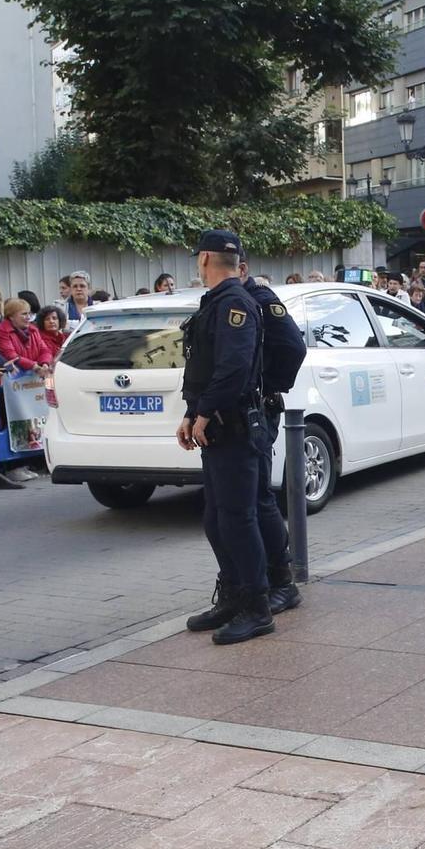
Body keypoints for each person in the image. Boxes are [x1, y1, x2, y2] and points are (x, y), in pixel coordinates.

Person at [179, 230, 275, 645]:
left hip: (232, 423)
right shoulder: (218, 302)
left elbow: (234, 367)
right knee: (218, 517)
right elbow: (207, 366)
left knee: (238, 518)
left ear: (204, 259)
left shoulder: (234, 303)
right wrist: (191, 411)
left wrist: (204, 410)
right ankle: (235, 595)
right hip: (216, 423)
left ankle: (257, 605)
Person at [243, 264, 309, 615]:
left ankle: (282, 581)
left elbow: (292, 347)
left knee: (260, 498)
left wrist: (268, 387)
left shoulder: (260, 299)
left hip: (257, 410)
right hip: (234, 414)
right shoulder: (228, 299)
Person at [0, 299, 56, 371]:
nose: (28, 317)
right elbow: (10, 355)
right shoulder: (3, 331)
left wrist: (45, 363)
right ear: (11, 316)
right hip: (14, 378)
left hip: (34, 376)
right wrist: (33, 366)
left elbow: (45, 350)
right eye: (24, 314)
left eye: (29, 313)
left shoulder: (33, 330)